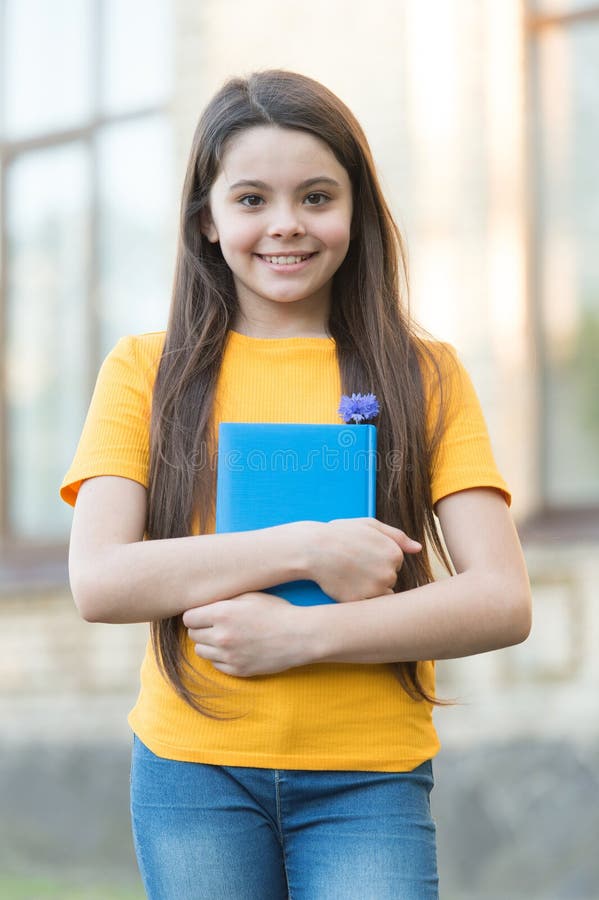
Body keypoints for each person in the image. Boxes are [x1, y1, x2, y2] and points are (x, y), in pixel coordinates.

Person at [60, 69, 531, 900]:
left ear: (356, 211)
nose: (285, 225)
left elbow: (500, 599)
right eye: (251, 199)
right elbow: (100, 581)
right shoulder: (145, 371)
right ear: (205, 220)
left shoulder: (424, 374)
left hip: (368, 777)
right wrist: (306, 548)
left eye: (316, 197)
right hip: (193, 773)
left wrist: (301, 637)